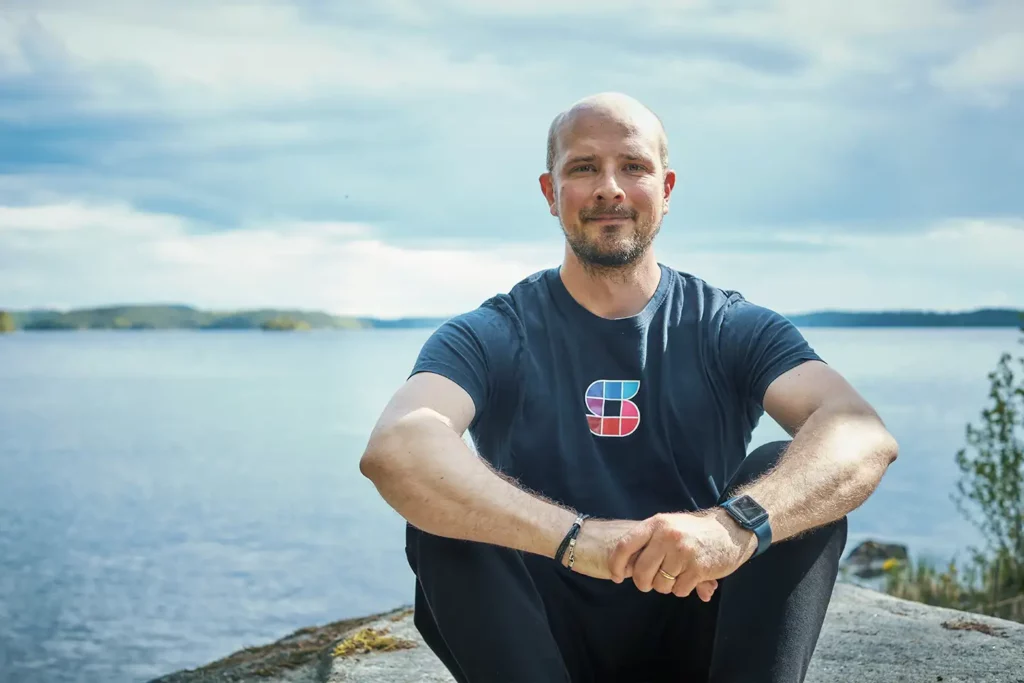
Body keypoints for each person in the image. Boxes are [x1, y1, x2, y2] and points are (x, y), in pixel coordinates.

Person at [359, 92, 899, 683]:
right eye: (584, 167)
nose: (609, 188)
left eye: (633, 167)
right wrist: (577, 539)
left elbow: (860, 433)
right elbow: (398, 447)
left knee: (788, 477)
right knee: (444, 512)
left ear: (666, 189)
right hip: (538, 644)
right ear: (550, 192)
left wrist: (733, 526)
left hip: (699, 619)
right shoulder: (493, 333)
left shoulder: (726, 326)